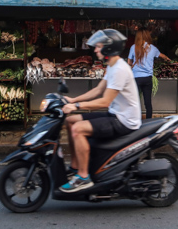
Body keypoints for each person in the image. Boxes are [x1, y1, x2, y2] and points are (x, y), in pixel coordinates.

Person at [60, 29, 141, 193]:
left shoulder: (119, 69)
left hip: (124, 121)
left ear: (109, 49)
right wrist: (73, 100)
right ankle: (76, 167)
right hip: (115, 113)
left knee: (78, 129)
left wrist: (76, 107)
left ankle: (83, 177)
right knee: (70, 121)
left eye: (98, 47)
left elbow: (104, 101)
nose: (95, 50)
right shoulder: (111, 66)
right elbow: (98, 90)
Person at [127, 29, 170, 119]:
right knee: (148, 103)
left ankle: (136, 121)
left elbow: (129, 62)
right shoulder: (153, 48)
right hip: (147, 79)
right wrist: (168, 59)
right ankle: (149, 122)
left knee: (135, 101)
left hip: (136, 78)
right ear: (147, 36)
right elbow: (163, 56)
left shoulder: (133, 47)